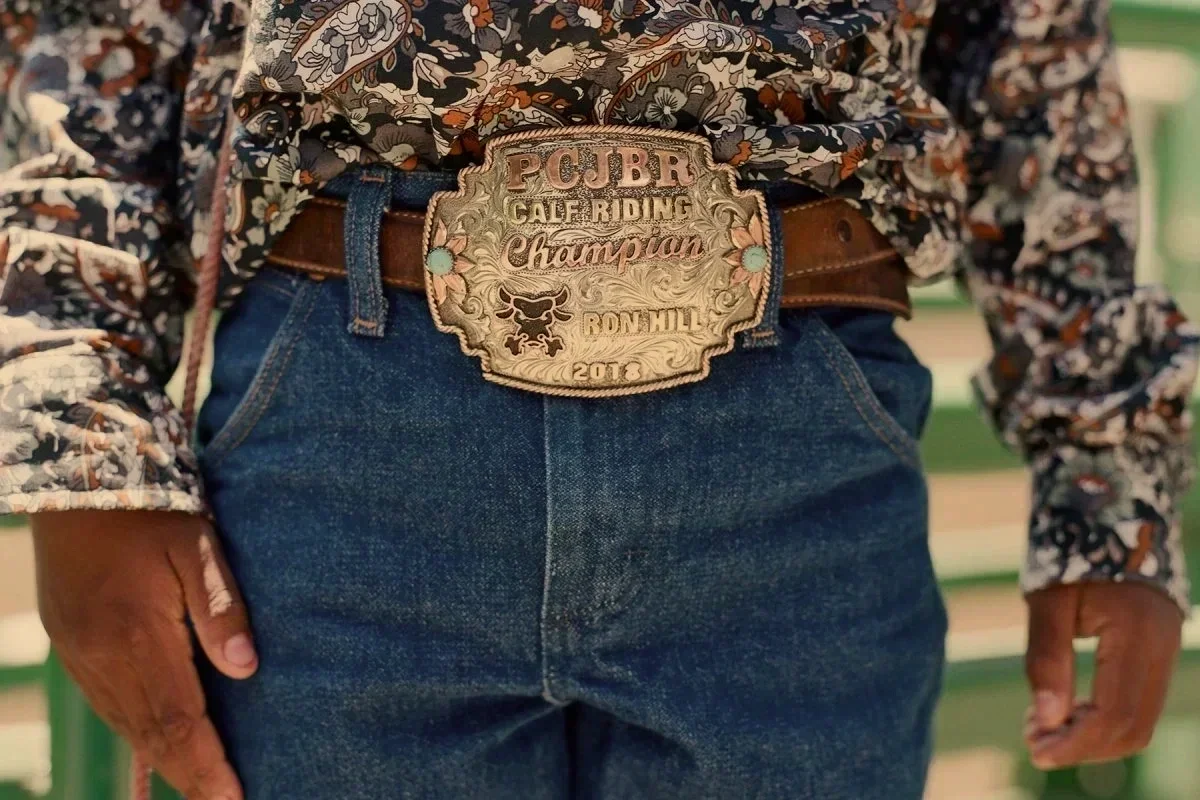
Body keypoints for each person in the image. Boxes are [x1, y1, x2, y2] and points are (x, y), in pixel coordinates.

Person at [1, 1, 1195, 798]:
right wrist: (83, 427)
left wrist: (1109, 471)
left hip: (796, 446)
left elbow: (1031, 49)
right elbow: (100, 28)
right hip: (338, 443)